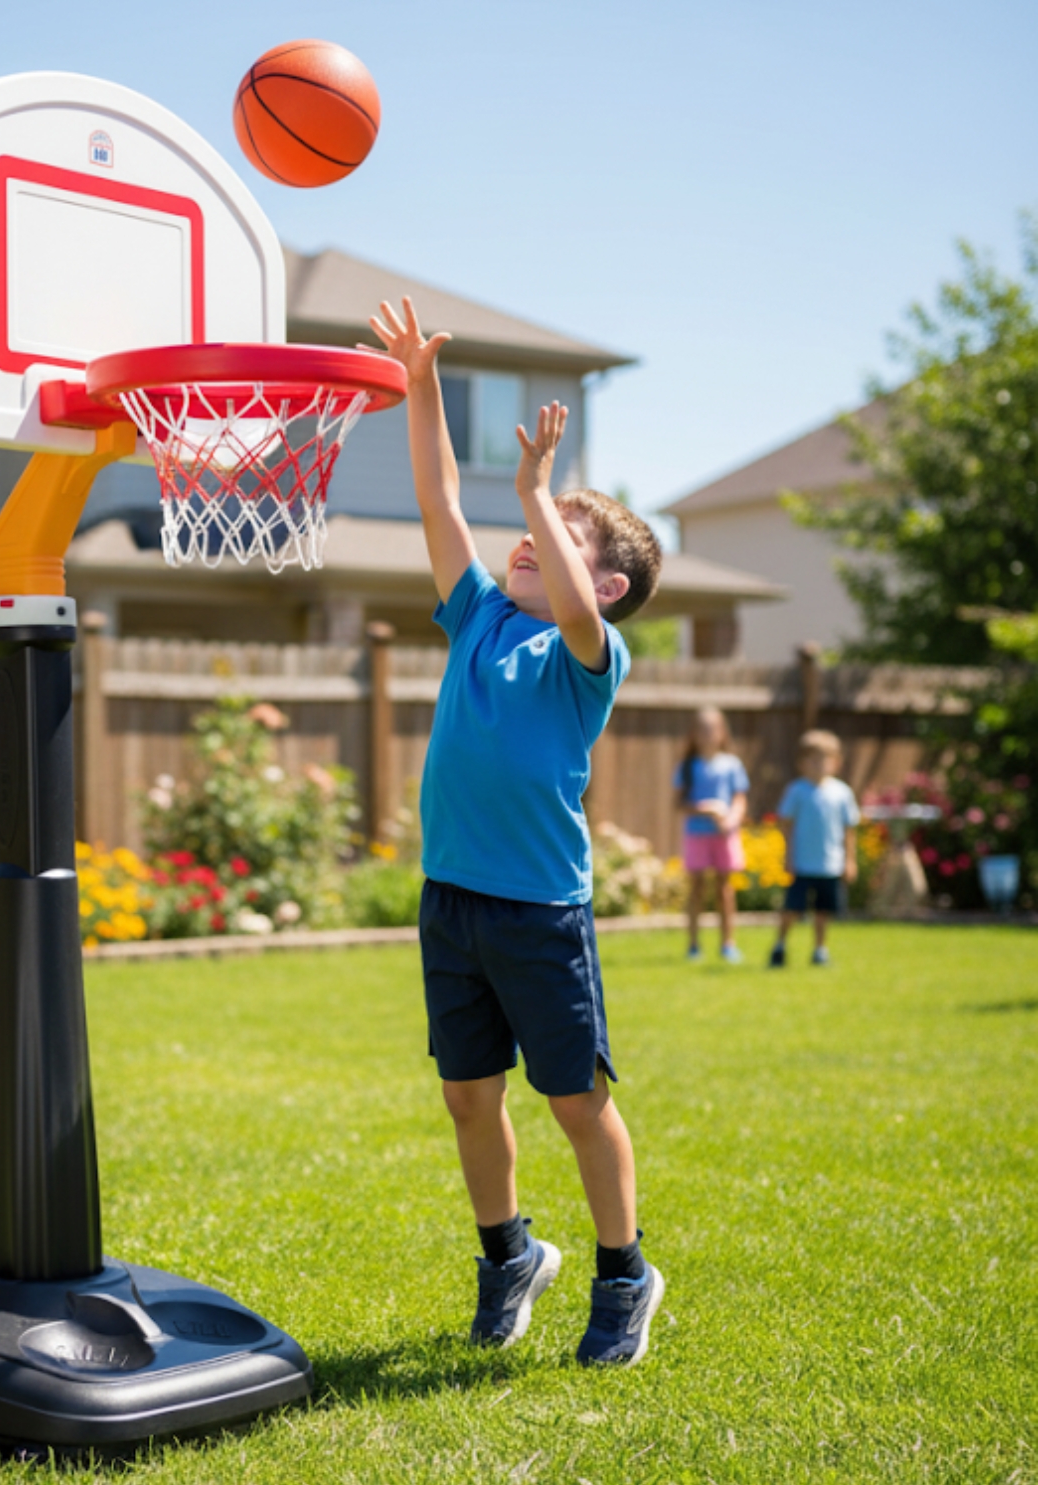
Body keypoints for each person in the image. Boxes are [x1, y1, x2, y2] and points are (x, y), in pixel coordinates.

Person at [369, 297, 666, 1365]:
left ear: (608, 583)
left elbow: (578, 611)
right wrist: (419, 384)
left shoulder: (589, 660)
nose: (528, 546)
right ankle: (507, 1254)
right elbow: (436, 495)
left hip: (541, 914)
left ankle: (624, 1275)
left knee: (576, 1102)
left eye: (558, 543)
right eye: (532, 534)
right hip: (453, 901)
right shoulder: (482, 616)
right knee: (465, 1095)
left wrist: (541, 487)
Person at [769, 730, 860, 967]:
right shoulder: (797, 791)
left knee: (823, 911)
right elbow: (785, 824)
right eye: (813, 759)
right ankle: (780, 946)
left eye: (824, 758)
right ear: (802, 763)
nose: (818, 764)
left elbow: (849, 830)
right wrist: (787, 856)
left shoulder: (842, 793)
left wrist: (850, 860)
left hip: (829, 864)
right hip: (802, 863)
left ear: (836, 763)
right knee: (792, 909)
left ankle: (820, 950)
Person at [673, 706, 750, 963]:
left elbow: (739, 800)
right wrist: (706, 809)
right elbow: (679, 804)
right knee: (696, 889)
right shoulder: (687, 766)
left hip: (724, 836)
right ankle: (693, 945)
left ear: (722, 732)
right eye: (702, 729)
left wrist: (731, 818)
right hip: (697, 835)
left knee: (724, 890)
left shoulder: (732, 765)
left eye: (712, 729)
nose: (707, 734)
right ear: (693, 734)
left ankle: (728, 944)